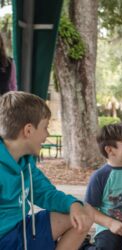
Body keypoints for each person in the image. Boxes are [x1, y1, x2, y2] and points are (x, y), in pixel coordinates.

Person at [0, 91, 93, 250]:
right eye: (45, 127)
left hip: (22, 230)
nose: (47, 135)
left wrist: (73, 205)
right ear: (28, 130)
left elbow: (45, 193)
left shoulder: (26, 162)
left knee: (84, 213)